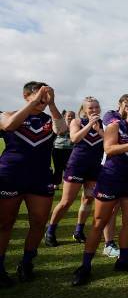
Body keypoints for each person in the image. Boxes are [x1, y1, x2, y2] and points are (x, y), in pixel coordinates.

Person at [71, 97, 128, 286]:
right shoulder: (115, 126)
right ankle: (85, 266)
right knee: (99, 222)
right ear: (126, 109)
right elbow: (109, 149)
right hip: (111, 178)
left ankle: (124, 259)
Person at [0, 82, 67, 287]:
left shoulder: (49, 119)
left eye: (45, 97)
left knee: (38, 222)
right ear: (25, 95)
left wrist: (52, 104)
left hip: (39, 177)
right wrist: (35, 102)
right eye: (38, 95)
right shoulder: (9, 114)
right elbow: (9, 125)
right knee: (5, 223)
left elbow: (62, 130)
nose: (42, 101)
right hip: (11, 175)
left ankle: (27, 262)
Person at [45, 97, 104, 246]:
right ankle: (50, 230)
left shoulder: (104, 124)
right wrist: (90, 124)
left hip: (94, 167)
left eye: (96, 107)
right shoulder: (77, 122)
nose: (94, 110)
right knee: (66, 202)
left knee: (88, 199)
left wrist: (99, 130)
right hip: (77, 165)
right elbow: (74, 138)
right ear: (84, 110)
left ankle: (78, 231)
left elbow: (110, 141)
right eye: (90, 108)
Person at [51, 110, 75, 188]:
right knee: (58, 167)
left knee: (68, 167)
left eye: (72, 116)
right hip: (57, 148)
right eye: (69, 115)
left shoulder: (76, 125)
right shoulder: (60, 124)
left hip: (70, 149)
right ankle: (56, 183)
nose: (70, 117)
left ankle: (67, 183)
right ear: (65, 116)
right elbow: (54, 133)